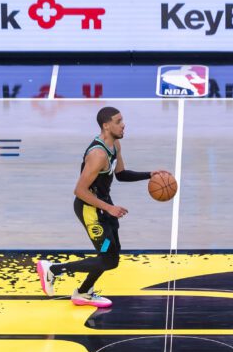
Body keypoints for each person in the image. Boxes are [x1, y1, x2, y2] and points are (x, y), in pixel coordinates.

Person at [35, 107, 167, 309]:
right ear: (106, 125)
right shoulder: (98, 154)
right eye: (118, 121)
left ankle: (83, 292)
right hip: (91, 211)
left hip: (104, 208)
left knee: (110, 253)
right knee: (109, 260)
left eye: (123, 120)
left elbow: (121, 174)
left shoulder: (115, 145)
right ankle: (53, 269)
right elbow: (79, 190)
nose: (123, 124)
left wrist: (150, 174)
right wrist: (109, 208)